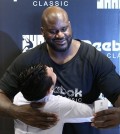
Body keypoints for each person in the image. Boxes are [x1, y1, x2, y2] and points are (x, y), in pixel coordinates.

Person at [0, 6, 120, 134]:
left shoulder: (93, 59)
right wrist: (17, 112)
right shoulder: (29, 60)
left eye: (64, 29)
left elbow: (116, 93)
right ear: (42, 31)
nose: (60, 35)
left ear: (70, 25)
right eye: (53, 31)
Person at [14, 63, 94, 134]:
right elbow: (92, 113)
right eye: (52, 73)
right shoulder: (58, 105)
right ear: (49, 90)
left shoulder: (17, 98)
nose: (52, 68)